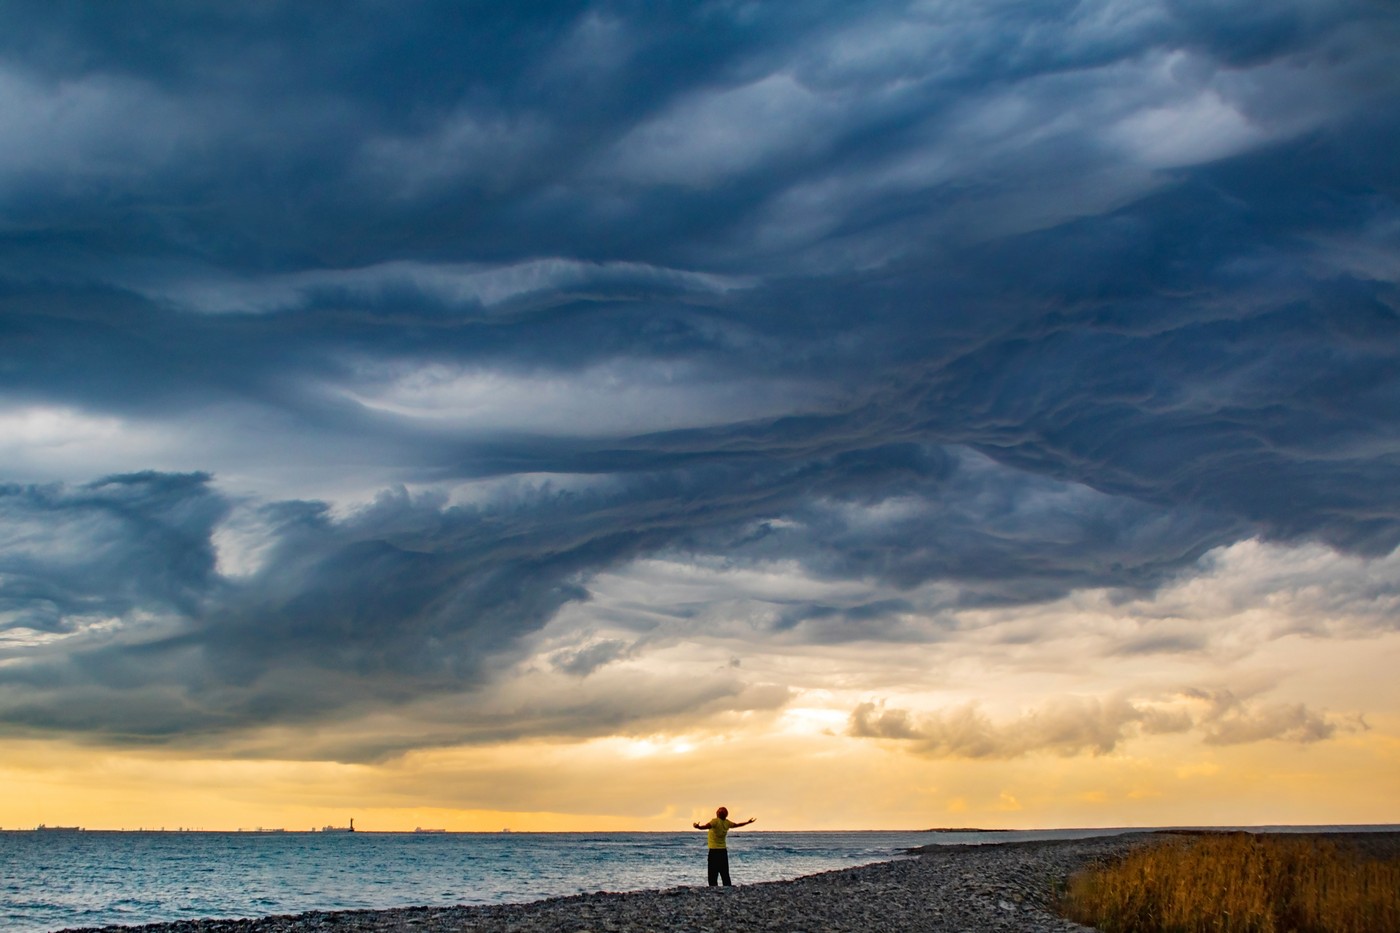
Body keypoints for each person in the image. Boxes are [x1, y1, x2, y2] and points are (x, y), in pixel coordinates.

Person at [692, 806, 756, 886]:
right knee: (724, 872)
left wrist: (698, 827)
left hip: (714, 851)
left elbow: (705, 827)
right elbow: (737, 825)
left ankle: (713, 888)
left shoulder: (715, 821)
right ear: (726, 815)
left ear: (717, 814)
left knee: (712, 872)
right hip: (723, 851)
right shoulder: (727, 823)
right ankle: (727, 887)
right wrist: (748, 822)